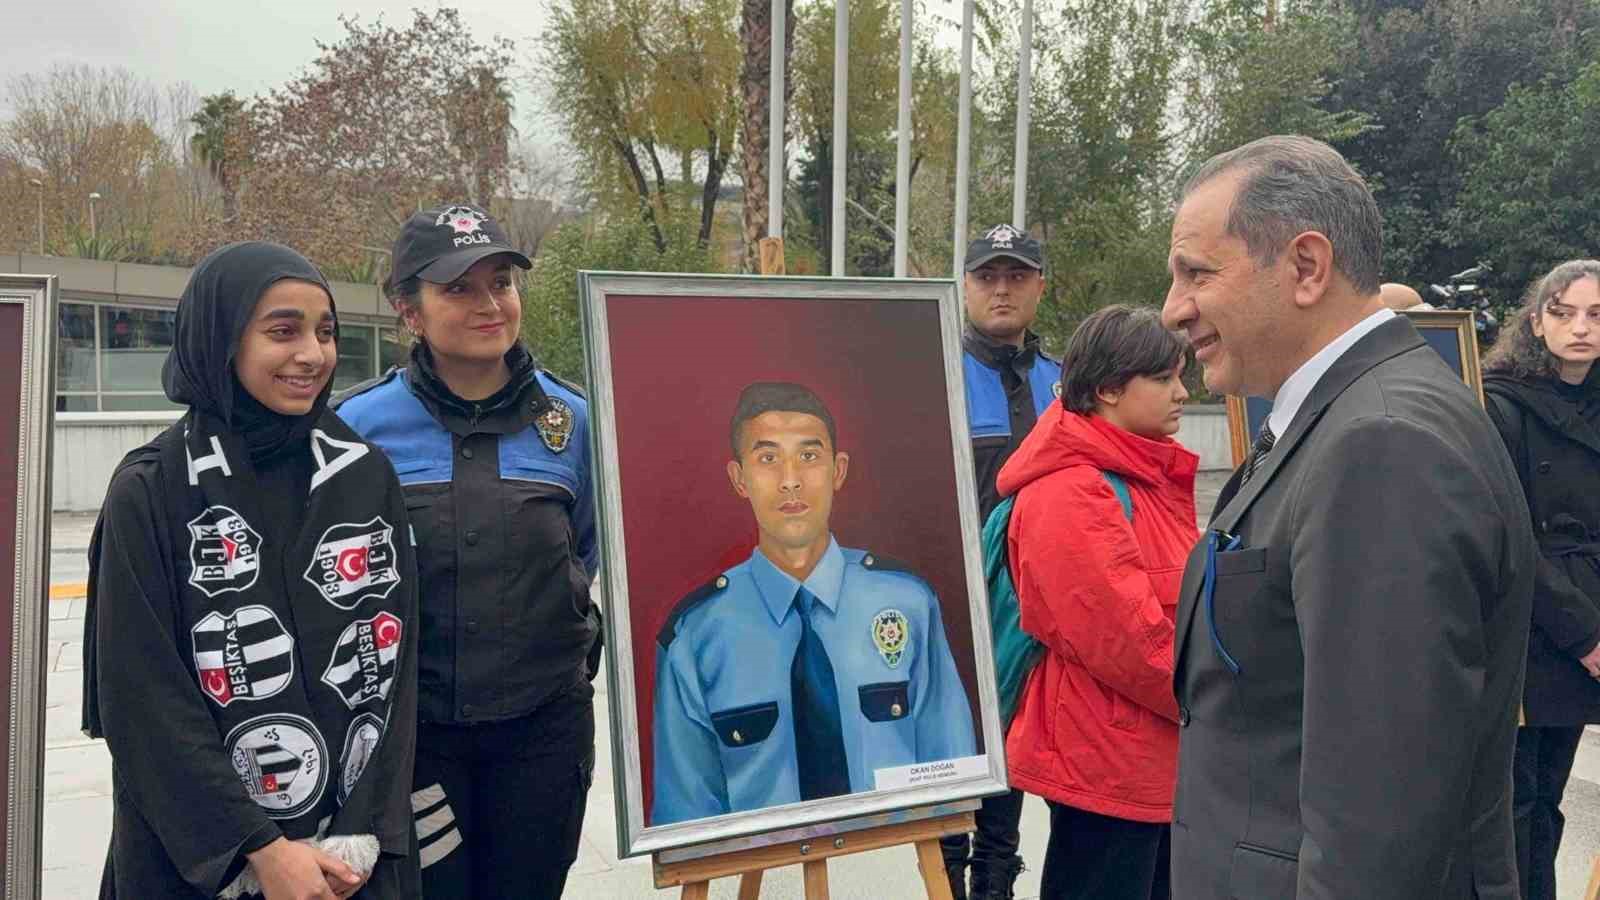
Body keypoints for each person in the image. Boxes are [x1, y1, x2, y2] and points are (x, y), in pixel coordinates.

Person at [1161, 135, 1536, 899]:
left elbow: (1379, 821)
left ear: (1305, 266)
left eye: (1196, 273)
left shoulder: (1384, 444)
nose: (1173, 310)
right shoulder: (1343, 417)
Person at [82, 241, 420, 899]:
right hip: (202, 860)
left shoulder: (364, 473)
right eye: (283, 331)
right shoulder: (153, 491)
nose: (313, 354)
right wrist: (260, 848)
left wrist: (361, 829)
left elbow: (398, 663)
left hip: (351, 860)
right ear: (220, 341)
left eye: (325, 332)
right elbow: (142, 699)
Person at [335, 204, 600, 900]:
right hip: (416, 745)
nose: (490, 304)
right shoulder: (355, 429)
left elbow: (587, 555)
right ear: (409, 311)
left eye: (502, 282)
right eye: (459, 288)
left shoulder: (574, 422)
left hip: (545, 736)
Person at [651, 381, 976, 826]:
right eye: (768, 459)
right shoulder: (696, 635)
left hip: (897, 861)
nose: (790, 480)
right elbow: (686, 814)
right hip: (763, 880)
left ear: (838, 470)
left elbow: (952, 767)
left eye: (809, 456)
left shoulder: (908, 603)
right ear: (739, 479)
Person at [996, 304, 1196, 900]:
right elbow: (1126, 640)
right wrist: (1216, 699)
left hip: (1148, 759)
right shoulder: (1071, 490)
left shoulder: (1139, 473)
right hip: (1105, 764)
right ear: (1108, 389)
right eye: (1163, 380)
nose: (1182, 393)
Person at [944, 222, 1061, 900]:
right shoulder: (934, 366)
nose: (1001, 288)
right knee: (951, 769)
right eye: (987, 276)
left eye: (1016, 275)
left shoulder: (1066, 382)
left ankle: (994, 887)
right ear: (966, 287)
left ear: (1039, 287)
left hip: (1034, 616)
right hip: (957, 609)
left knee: (1010, 771)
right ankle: (947, 886)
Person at [1481, 259, 1600, 900]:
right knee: (1516, 804)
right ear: (1537, 321)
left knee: (1550, 797)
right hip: (1529, 624)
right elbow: (1510, 537)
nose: (1580, 328)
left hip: (1587, 620)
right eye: (1564, 312)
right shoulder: (1500, 405)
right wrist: (1585, 634)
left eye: (1596, 314)